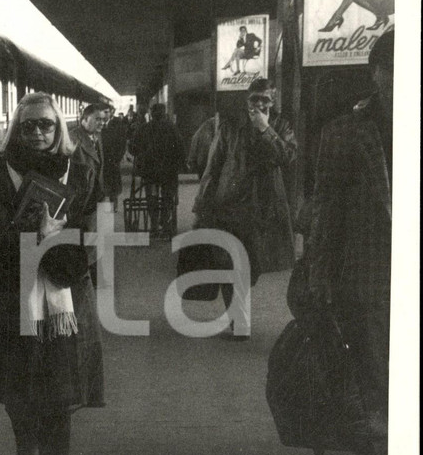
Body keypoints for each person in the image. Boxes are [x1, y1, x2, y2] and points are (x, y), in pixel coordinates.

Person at [0, 92, 105, 455]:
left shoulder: (81, 170)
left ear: (59, 127)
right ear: (16, 128)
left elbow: (93, 235)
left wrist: (53, 244)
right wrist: (38, 237)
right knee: (15, 390)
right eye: (28, 126)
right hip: (11, 296)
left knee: (58, 399)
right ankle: (24, 437)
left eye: (46, 124)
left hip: (65, 297)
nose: (39, 133)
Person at [307, 29, 393, 455]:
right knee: (373, 371)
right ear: (377, 75)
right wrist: (319, 273)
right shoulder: (347, 132)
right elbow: (326, 207)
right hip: (369, 273)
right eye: (395, 72)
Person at [193, 78, 297, 338]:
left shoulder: (281, 125)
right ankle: (240, 321)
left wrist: (265, 130)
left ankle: (240, 308)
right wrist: (201, 205)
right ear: (247, 100)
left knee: (252, 266)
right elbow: (213, 166)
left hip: (264, 208)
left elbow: (287, 157)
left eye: (265, 100)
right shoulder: (230, 125)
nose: (259, 104)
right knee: (230, 263)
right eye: (254, 99)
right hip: (229, 205)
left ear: (273, 101)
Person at [128, 103, 183, 237]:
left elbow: (133, 149)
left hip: (150, 173)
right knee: (167, 196)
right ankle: (164, 222)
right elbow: (180, 148)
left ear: (151, 114)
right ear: (164, 114)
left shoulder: (143, 129)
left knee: (151, 196)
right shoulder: (172, 128)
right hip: (168, 173)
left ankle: (153, 225)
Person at [69, 102, 107, 194]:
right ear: (85, 119)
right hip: (81, 199)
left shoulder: (97, 136)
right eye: (97, 119)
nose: (102, 123)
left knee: (107, 208)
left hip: (98, 193)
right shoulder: (72, 138)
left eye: (103, 120)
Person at [101, 108, 129, 204]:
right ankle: (106, 215)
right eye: (102, 112)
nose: (103, 114)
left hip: (113, 160)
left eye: (106, 112)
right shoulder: (96, 124)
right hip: (100, 161)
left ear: (111, 113)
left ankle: (113, 202)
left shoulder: (118, 125)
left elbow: (122, 143)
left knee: (112, 187)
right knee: (102, 190)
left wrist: (118, 158)